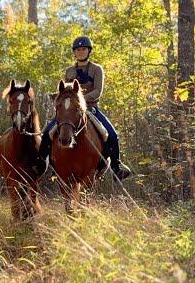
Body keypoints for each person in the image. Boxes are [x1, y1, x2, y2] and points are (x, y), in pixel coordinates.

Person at [36, 36, 132, 181]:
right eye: (78, 50)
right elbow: (66, 91)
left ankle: (116, 167)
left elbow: (97, 91)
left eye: (83, 49)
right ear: (74, 52)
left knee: (112, 135)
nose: (81, 52)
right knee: (46, 134)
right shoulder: (69, 71)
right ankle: (44, 165)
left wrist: (79, 101)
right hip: (69, 111)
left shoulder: (97, 69)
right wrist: (59, 97)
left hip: (90, 108)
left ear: (89, 51)